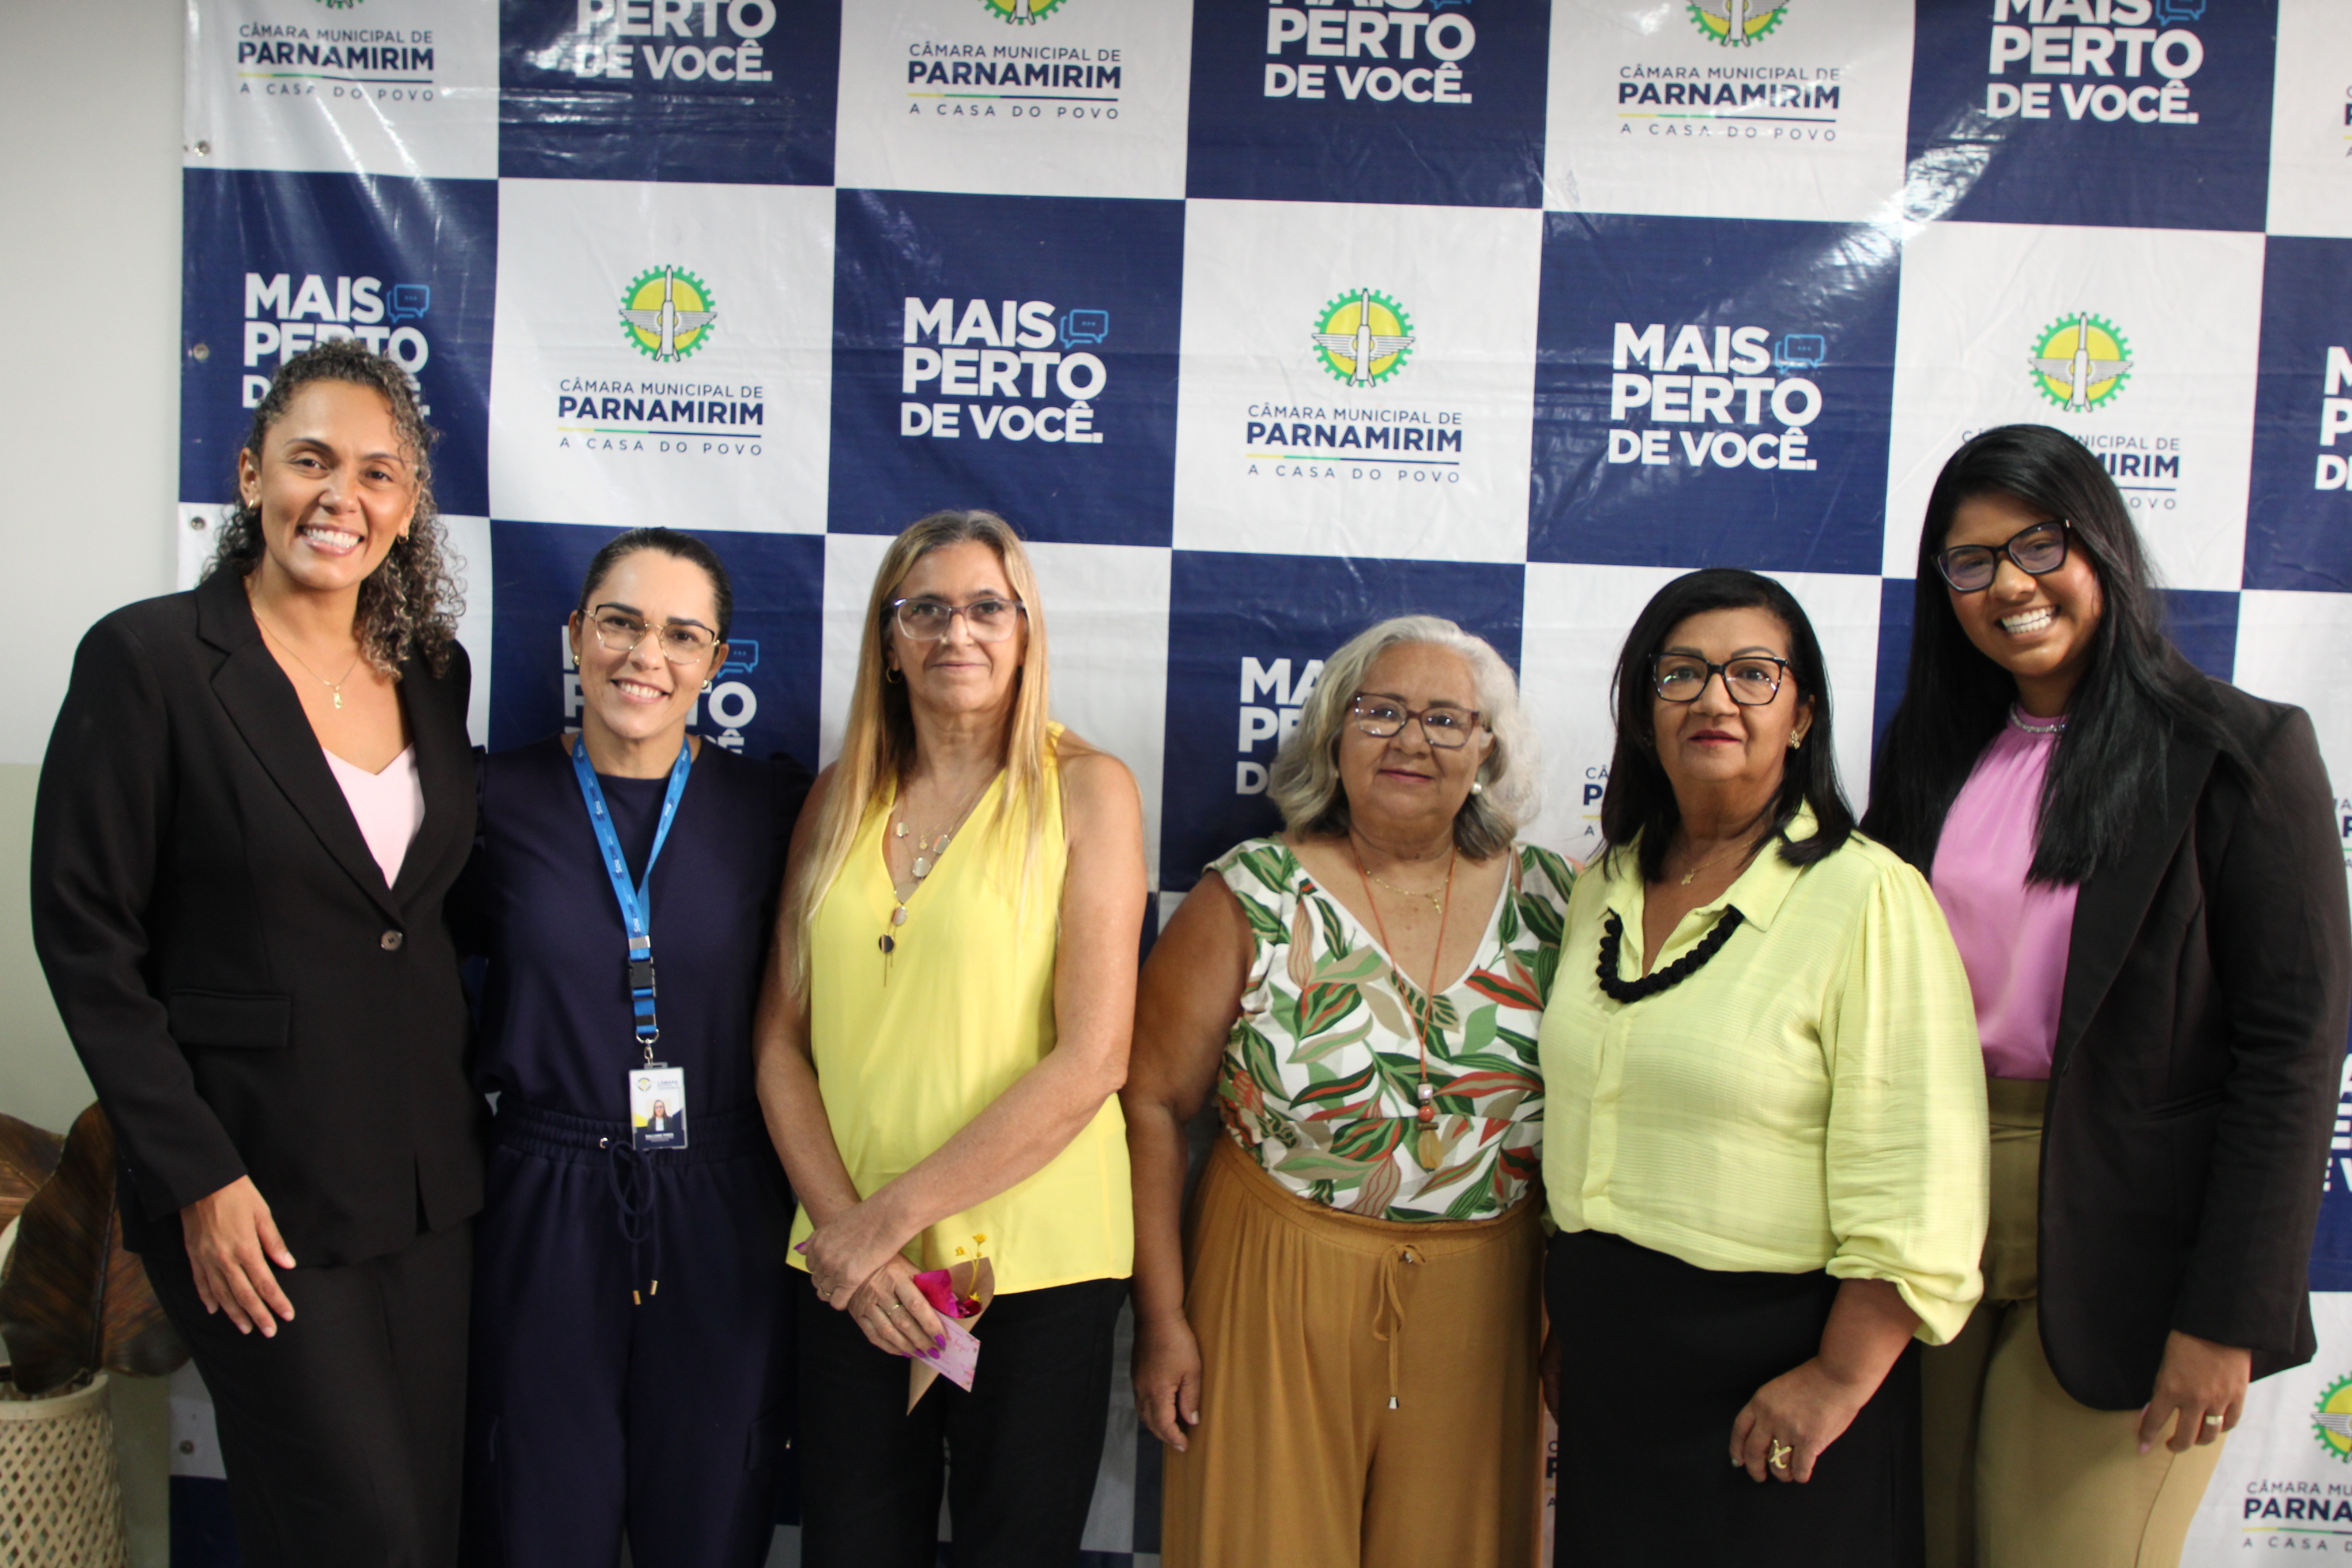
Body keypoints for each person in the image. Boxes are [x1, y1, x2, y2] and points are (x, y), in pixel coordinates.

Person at [1863, 425, 2352, 1568]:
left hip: (2131, 1250)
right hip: (1925, 1229)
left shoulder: (2239, 751)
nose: (2009, 585)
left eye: (2039, 544)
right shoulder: (1930, 756)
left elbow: (2293, 1051)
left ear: (2102, 547)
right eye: (1971, 561)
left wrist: (2227, 1316)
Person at [30, 339, 480, 1565]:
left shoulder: (434, 671)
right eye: (310, 461)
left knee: (419, 1529)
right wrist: (198, 1178)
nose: (342, 497)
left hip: (427, 1190)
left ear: (408, 504)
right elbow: (85, 934)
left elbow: (416, 918)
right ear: (250, 476)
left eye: (377, 473)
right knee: (363, 1534)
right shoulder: (151, 660)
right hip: (252, 1191)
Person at [1538, 568, 1989, 1566]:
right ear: (1643, 708)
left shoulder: (1867, 897)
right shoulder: (1604, 884)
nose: (1715, 698)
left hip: (1780, 1379)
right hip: (1612, 1370)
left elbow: (1920, 1174)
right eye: (1682, 673)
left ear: (1803, 715)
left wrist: (1838, 1379)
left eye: (1753, 674)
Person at [1125, 615, 1570, 1568]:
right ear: (1335, 735)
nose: (1411, 739)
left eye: (1445, 718)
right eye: (1381, 712)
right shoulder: (1252, 893)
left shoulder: (1557, 900)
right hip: (1272, 1288)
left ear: (1487, 750)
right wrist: (1161, 1320)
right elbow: (1152, 1104)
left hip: (1485, 1307)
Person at [756, 508, 1146, 1568]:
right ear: (889, 639)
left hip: (1033, 1268)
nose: (955, 632)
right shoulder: (837, 797)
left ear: (1025, 631)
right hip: (853, 1269)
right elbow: (779, 1043)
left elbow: (1095, 1059)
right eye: (924, 609)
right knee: (850, 1548)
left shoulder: (1088, 791)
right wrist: (849, 1237)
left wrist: (884, 1223)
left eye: (985, 608)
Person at [456, 527, 810, 1567]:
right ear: (577, 634)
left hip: (721, 1192)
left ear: (715, 661)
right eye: (620, 622)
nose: (645, 656)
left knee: (710, 1514)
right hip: (545, 1187)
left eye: (681, 635)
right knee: (539, 1512)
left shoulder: (769, 809)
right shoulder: (490, 800)